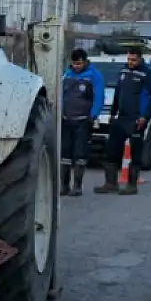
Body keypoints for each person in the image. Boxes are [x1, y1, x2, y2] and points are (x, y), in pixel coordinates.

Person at [96, 46, 151, 195]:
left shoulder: (148, 74)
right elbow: (118, 92)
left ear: (140, 58)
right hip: (122, 117)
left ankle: (132, 185)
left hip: (137, 119)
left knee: (135, 152)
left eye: (133, 60)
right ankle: (110, 183)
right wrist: (113, 113)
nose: (130, 62)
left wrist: (145, 116)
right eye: (129, 59)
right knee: (111, 150)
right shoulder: (123, 71)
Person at [59, 48, 105, 196]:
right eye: (74, 63)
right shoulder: (66, 74)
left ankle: (77, 186)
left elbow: (99, 97)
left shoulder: (94, 76)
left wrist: (93, 115)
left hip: (83, 121)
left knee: (79, 154)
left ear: (85, 61)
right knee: (64, 154)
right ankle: (64, 186)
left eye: (79, 63)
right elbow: (60, 93)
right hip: (66, 120)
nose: (76, 66)